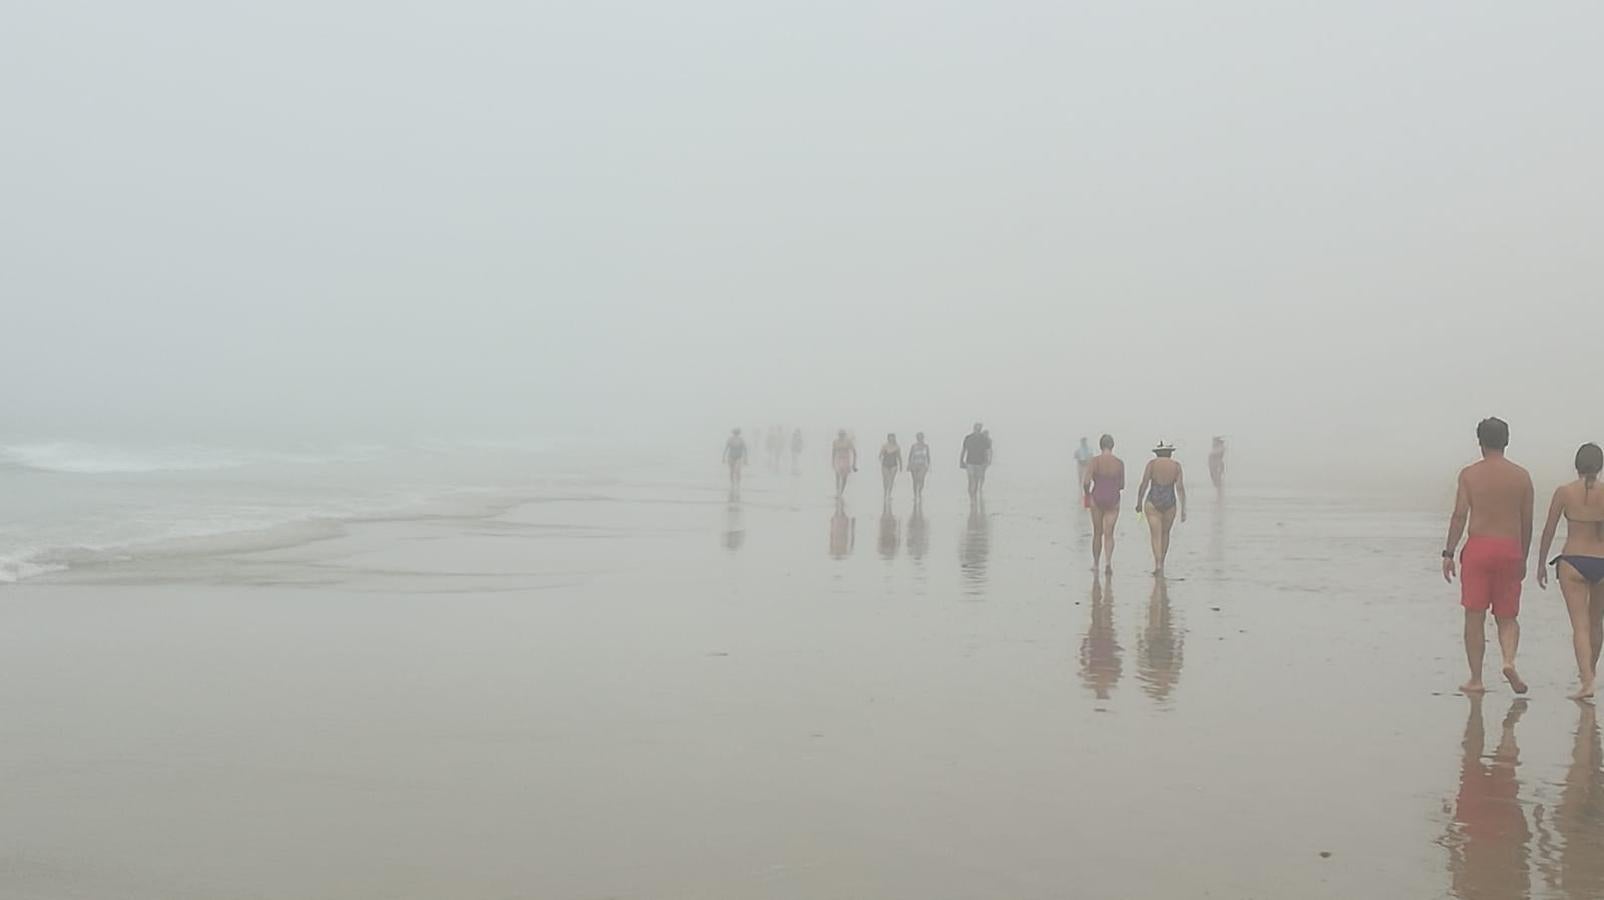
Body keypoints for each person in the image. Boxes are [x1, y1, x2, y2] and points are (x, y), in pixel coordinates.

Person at [1443, 417, 1534, 696]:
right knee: (1507, 616)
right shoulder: (1521, 476)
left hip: (1479, 549)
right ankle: (1507, 660)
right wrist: (1523, 557)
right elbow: (1526, 522)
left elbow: (1459, 515)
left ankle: (1476, 679)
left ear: (1480, 442)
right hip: (1510, 549)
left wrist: (1448, 551)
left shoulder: (1469, 475)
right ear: (1506, 441)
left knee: (1474, 616)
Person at [1536, 442, 1604, 699]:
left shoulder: (1564, 492)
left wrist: (1541, 562)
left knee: (1580, 626)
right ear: (1600, 466)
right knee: (1596, 622)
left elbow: (1549, 530)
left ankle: (1586, 680)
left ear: (1576, 465)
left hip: (1573, 560)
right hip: (1602, 560)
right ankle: (1590, 673)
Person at [1135, 442, 1186, 575]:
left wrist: (1139, 502)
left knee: (1155, 535)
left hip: (1153, 501)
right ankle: (1162, 562)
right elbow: (1180, 488)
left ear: (1157, 453)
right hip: (1170, 502)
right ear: (1170, 453)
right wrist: (1184, 507)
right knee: (1165, 534)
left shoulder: (1152, 464)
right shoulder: (1176, 466)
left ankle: (1157, 563)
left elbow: (1144, 483)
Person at [1083, 434, 1124, 573]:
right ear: (1112, 446)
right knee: (1109, 533)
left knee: (1097, 533)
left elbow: (1086, 482)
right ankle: (1108, 562)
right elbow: (1122, 485)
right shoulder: (1119, 463)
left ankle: (1095, 564)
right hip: (1113, 498)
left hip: (1097, 497)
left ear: (1101, 446)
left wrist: (1087, 495)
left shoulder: (1094, 461)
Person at [959, 423, 992, 500]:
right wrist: (961, 461)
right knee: (971, 479)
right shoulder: (968, 438)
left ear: (980, 429)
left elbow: (988, 450)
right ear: (974, 429)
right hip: (970, 462)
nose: (977, 430)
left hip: (980, 463)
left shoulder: (984, 439)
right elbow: (964, 450)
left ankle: (974, 495)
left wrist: (987, 461)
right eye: (976, 428)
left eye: (979, 429)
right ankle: (971, 497)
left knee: (976, 480)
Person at [831, 430, 857, 498]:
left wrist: (854, 464)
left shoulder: (848, 442)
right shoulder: (835, 442)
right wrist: (832, 462)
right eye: (840, 435)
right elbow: (833, 452)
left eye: (842, 435)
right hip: (838, 459)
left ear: (844, 435)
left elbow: (854, 452)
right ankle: (837, 491)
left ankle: (841, 492)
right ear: (838, 435)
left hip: (846, 459)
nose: (841, 436)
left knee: (845, 477)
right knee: (837, 474)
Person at [722, 428, 748, 494]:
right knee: (733, 470)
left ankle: (735, 483)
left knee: (735, 470)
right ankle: (734, 483)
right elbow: (726, 448)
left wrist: (723, 457)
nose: (736, 434)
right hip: (733, 457)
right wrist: (723, 457)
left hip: (736, 457)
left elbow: (745, 449)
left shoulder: (739, 440)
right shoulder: (733, 440)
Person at [907, 433, 932, 503]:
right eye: (918, 437)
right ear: (917, 438)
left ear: (923, 438)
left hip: (923, 465)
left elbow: (928, 456)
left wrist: (928, 465)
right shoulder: (914, 446)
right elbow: (910, 455)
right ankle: (915, 495)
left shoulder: (926, 446)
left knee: (921, 479)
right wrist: (909, 464)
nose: (920, 439)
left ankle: (920, 492)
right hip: (914, 465)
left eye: (921, 437)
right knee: (915, 481)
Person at [879, 433, 902, 501]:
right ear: (888, 438)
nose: (891, 439)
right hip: (885, 464)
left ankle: (889, 494)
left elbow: (899, 457)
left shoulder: (897, 446)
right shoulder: (885, 446)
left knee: (891, 480)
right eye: (890, 437)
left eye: (892, 437)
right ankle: (885, 493)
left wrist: (901, 465)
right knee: (885, 480)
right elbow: (880, 455)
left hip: (894, 465)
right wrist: (881, 460)